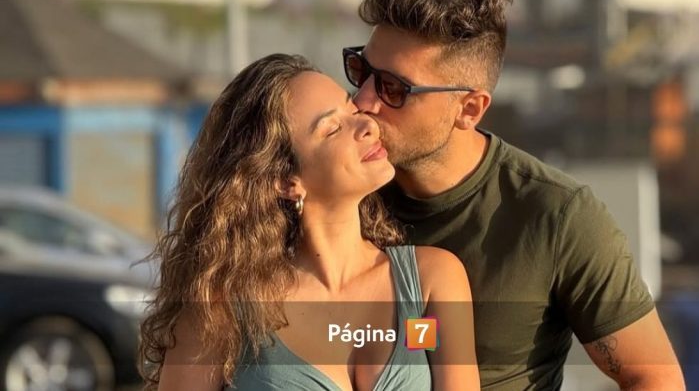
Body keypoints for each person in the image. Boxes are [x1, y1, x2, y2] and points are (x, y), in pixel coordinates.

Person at [345, 0, 686, 389]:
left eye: (392, 88)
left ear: (469, 109)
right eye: (360, 70)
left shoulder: (556, 216)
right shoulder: (335, 193)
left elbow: (654, 377)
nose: (362, 100)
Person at [138, 54, 479, 391]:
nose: (367, 126)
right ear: (286, 181)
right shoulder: (220, 310)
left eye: (352, 110)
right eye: (333, 128)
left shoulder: (431, 280)